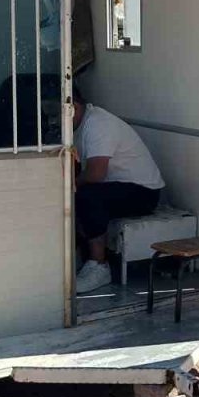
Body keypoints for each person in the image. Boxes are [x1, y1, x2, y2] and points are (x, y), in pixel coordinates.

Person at [72, 87, 166, 294]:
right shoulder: (79, 124)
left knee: (86, 196)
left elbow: (96, 174)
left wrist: (68, 184)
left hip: (143, 193)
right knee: (74, 196)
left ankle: (99, 266)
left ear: (74, 107)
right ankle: (80, 256)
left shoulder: (98, 124)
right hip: (116, 187)